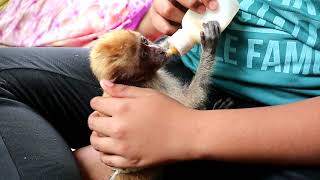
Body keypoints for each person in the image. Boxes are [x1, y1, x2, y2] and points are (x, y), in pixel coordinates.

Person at [0, 1, 319, 180]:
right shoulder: (144, 59)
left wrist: (188, 132)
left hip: (269, 123)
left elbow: (190, 104)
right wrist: (165, 14)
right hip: (178, 65)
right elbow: (147, 43)